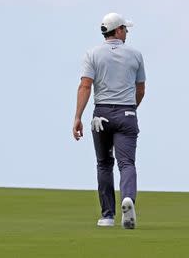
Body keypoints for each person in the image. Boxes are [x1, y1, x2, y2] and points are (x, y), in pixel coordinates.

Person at [72, 12, 146, 229]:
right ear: (119, 30)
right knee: (127, 163)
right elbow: (140, 89)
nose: (128, 32)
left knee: (104, 164)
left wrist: (78, 117)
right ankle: (129, 199)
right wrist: (130, 110)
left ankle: (107, 215)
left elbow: (85, 86)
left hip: (101, 115)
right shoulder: (135, 55)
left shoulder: (92, 54)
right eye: (126, 28)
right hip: (127, 113)